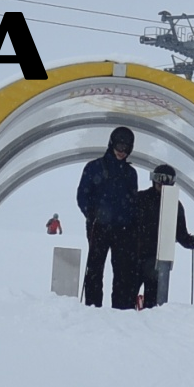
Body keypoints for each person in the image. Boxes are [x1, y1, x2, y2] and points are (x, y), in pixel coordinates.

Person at [114, 163, 194, 309]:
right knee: (125, 300)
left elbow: (180, 233)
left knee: (152, 304)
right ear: (153, 179)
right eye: (159, 179)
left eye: (166, 180)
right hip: (134, 257)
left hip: (156, 260)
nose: (162, 183)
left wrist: (191, 241)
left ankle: (146, 320)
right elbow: (123, 224)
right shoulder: (139, 199)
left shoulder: (174, 205)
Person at [76, 127, 137, 307]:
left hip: (122, 229)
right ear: (111, 144)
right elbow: (82, 195)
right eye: (119, 146)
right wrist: (91, 214)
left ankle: (121, 307)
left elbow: (133, 201)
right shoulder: (94, 167)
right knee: (95, 268)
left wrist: (131, 222)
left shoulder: (130, 173)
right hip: (98, 226)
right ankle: (93, 306)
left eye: (126, 148)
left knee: (122, 270)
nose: (122, 152)